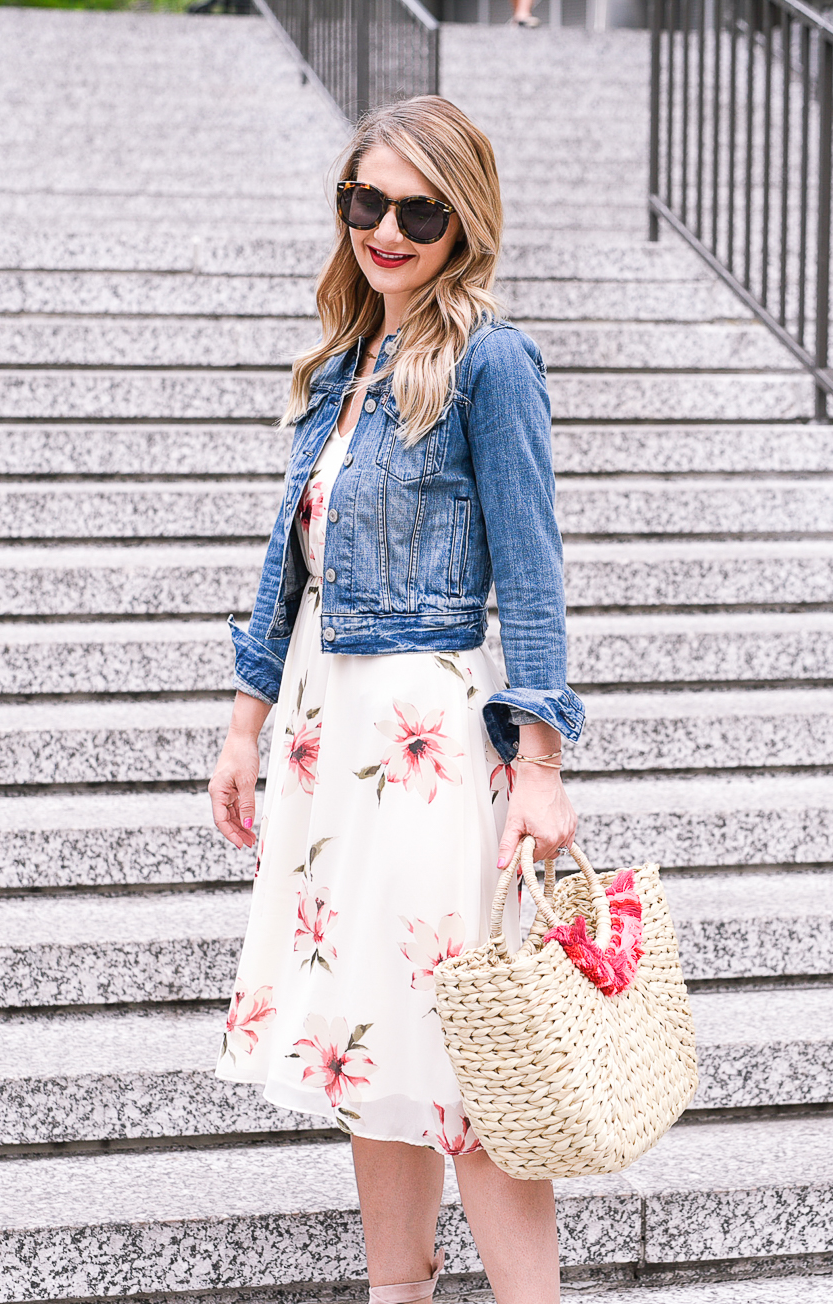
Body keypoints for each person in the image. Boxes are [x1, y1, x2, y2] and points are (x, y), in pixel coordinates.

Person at [208, 95, 583, 1304]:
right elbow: (291, 558)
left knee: (468, 1055)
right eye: (364, 200)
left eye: (418, 209)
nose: (386, 229)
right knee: (375, 1040)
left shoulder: (491, 361)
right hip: (332, 742)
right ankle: (398, 1290)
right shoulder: (342, 363)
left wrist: (541, 762)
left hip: (426, 738)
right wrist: (244, 725)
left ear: (462, 220)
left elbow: (531, 570)